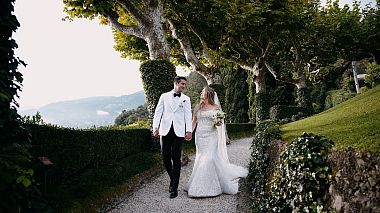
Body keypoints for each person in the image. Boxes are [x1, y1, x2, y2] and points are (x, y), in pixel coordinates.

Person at [184, 87, 248, 197]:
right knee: (200, 158)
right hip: (200, 136)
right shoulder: (198, 107)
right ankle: (198, 183)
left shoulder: (216, 107)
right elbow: (194, 121)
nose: (201, 93)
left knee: (209, 158)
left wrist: (218, 122)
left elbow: (219, 124)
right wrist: (189, 132)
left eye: (203, 92)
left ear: (208, 94)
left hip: (212, 135)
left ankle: (206, 187)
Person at [153, 76, 192, 199]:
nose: (184, 86)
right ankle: (173, 179)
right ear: (175, 83)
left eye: (185, 84)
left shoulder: (186, 99)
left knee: (176, 159)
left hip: (179, 132)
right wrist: (155, 127)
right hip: (165, 131)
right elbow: (158, 112)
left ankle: (174, 188)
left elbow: (188, 115)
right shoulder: (164, 96)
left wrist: (189, 130)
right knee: (165, 158)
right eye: (182, 84)